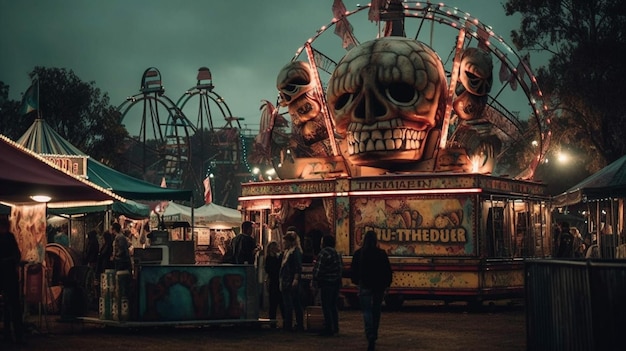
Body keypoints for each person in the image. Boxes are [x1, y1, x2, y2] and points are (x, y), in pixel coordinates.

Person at [351, 230, 393, 351]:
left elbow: (354, 270)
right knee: (376, 310)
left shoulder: (359, 253)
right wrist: (387, 284)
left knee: (366, 311)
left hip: (365, 285)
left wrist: (356, 281)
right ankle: (374, 331)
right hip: (379, 286)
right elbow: (387, 270)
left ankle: (370, 333)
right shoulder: (381, 253)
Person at [0, 215, 24, 345]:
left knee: (13, 306)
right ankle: (13, 335)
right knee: (13, 306)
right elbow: (17, 255)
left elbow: (17, 255)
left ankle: (13, 335)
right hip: (8, 276)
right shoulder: (9, 237)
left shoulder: (9, 237)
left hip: (8, 276)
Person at [312, 234, 342, 336]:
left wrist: (315, 280)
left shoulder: (323, 253)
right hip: (336, 282)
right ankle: (335, 327)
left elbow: (318, 270)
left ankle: (328, 328)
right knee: (333, 305)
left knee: (326, 306)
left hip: (326, 282)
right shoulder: (337, 253)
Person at [280, 228, 304, 331]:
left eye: (285, 240)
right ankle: (289, 323)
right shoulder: (287, 252)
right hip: (286, 280)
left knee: (293, 303)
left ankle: (294, 324)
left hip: (290, 280)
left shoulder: (295, 252)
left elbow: (298, 267)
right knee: (289, 302)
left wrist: (296, 279)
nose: (283, 242)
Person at [264, 241, 283, 328]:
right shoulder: (271, 258)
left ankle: (273, 322)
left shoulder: (273, 258)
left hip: (274, 281)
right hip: (274, 281)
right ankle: (273, 322)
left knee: (275, 302)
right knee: (274, 303)